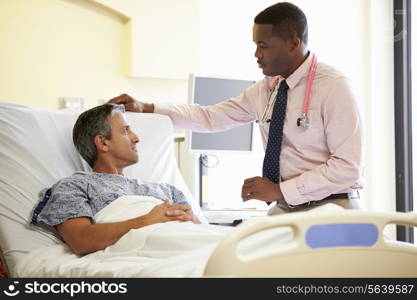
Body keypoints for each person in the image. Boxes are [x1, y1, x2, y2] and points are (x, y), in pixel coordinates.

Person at [108, 2, 363, 215]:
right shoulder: (267, 88)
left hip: (333, 206)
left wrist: (279, 190)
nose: (256, 54)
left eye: (263, 46)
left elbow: (347, 168)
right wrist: (147, 107)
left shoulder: (334, 87)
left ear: (293, 44)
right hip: (286, 208)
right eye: (256, 45)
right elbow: (210, 117)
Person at [31, 104, 201, 255]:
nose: (136, 138)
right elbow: (81, 240)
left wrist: (193, 220)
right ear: (103, 143)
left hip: (195, 246)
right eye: (126, 130)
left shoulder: (167, 190)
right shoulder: (73, 187)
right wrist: (146, 221)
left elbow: (199, 231)